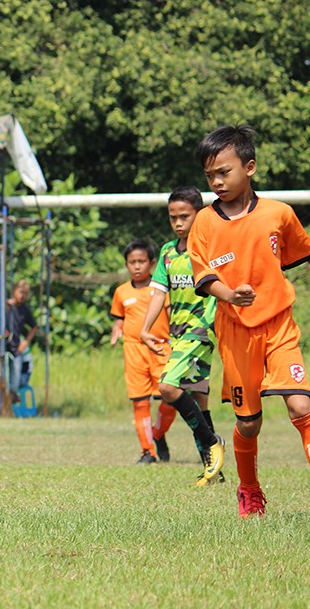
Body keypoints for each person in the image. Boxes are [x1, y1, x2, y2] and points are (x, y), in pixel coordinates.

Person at [188, 123, 310, 520]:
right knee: (250, 424)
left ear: (250, 167)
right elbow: (204, 278)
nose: (217, 181)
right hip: (236, 333)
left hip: (279, 327)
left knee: (300, 405)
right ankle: (250, 490)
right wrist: (230, 294)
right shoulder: (204, 222)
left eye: (224, 172)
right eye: (210, 176)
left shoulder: (278, 214)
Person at [139, 187, 225, 485]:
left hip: (201, 330)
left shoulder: (211, 249)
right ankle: (215, 470)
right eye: (173, 217)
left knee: (167, 387)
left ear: (198, 214)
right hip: (178, 334)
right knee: (200, 398)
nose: (178, 222)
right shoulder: (166, 253)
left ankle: (212, 442)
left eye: (184, 216)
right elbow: (158, 294)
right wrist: (146, 328)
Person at [110, 239, 170, 464]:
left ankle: (157, 433)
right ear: (126, 264)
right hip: (133, 350)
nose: (137, 266)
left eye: (141, 262)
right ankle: (148, 451)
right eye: (132, 262)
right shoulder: (121, 292)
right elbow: (119, 319)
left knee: (171, 397)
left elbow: (171, 315)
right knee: (140, 401)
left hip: (161, 348)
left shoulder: (160, 289)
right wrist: (116, 330)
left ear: (152, 263)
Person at [6, 279, 38, 402]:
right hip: (3, 346)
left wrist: (26, 342)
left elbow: (34, 327)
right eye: (20, 292)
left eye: (25, 293)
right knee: (2, 377)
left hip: (16, 347)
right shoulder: (7, 306)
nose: (22, 296)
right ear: (14, 291)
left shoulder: (24, 310)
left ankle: (13, 397)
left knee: (16, 378)